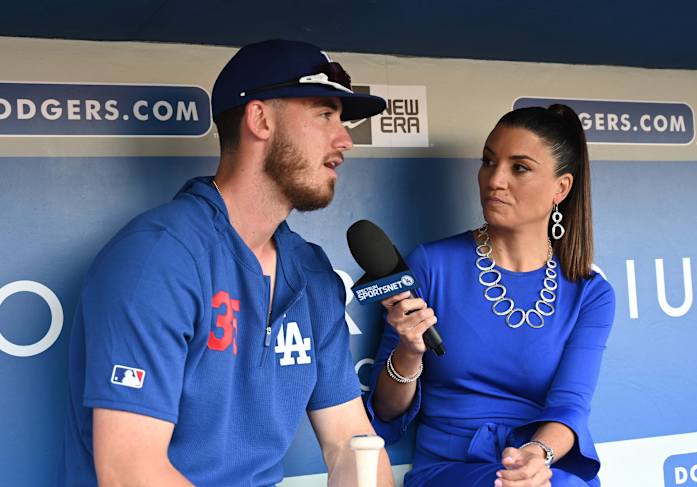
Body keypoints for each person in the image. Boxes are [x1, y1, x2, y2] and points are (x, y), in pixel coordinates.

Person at [59, 39, 394, 487]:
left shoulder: (311, 272)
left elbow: (350, 442)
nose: (345, 140)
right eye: (324, 115)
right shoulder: (158, 257)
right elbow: (129, 472)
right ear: (260, 119)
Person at [366, 104, 616, 487]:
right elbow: (386, 408)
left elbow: (570, 407)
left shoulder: (590, 293)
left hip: (540, 469)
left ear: (560, 188)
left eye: (519, 167)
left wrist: (535, 456)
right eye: (488, 162)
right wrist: (410, 350)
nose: (494, 179)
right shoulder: (432, 265)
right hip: (451, 470)